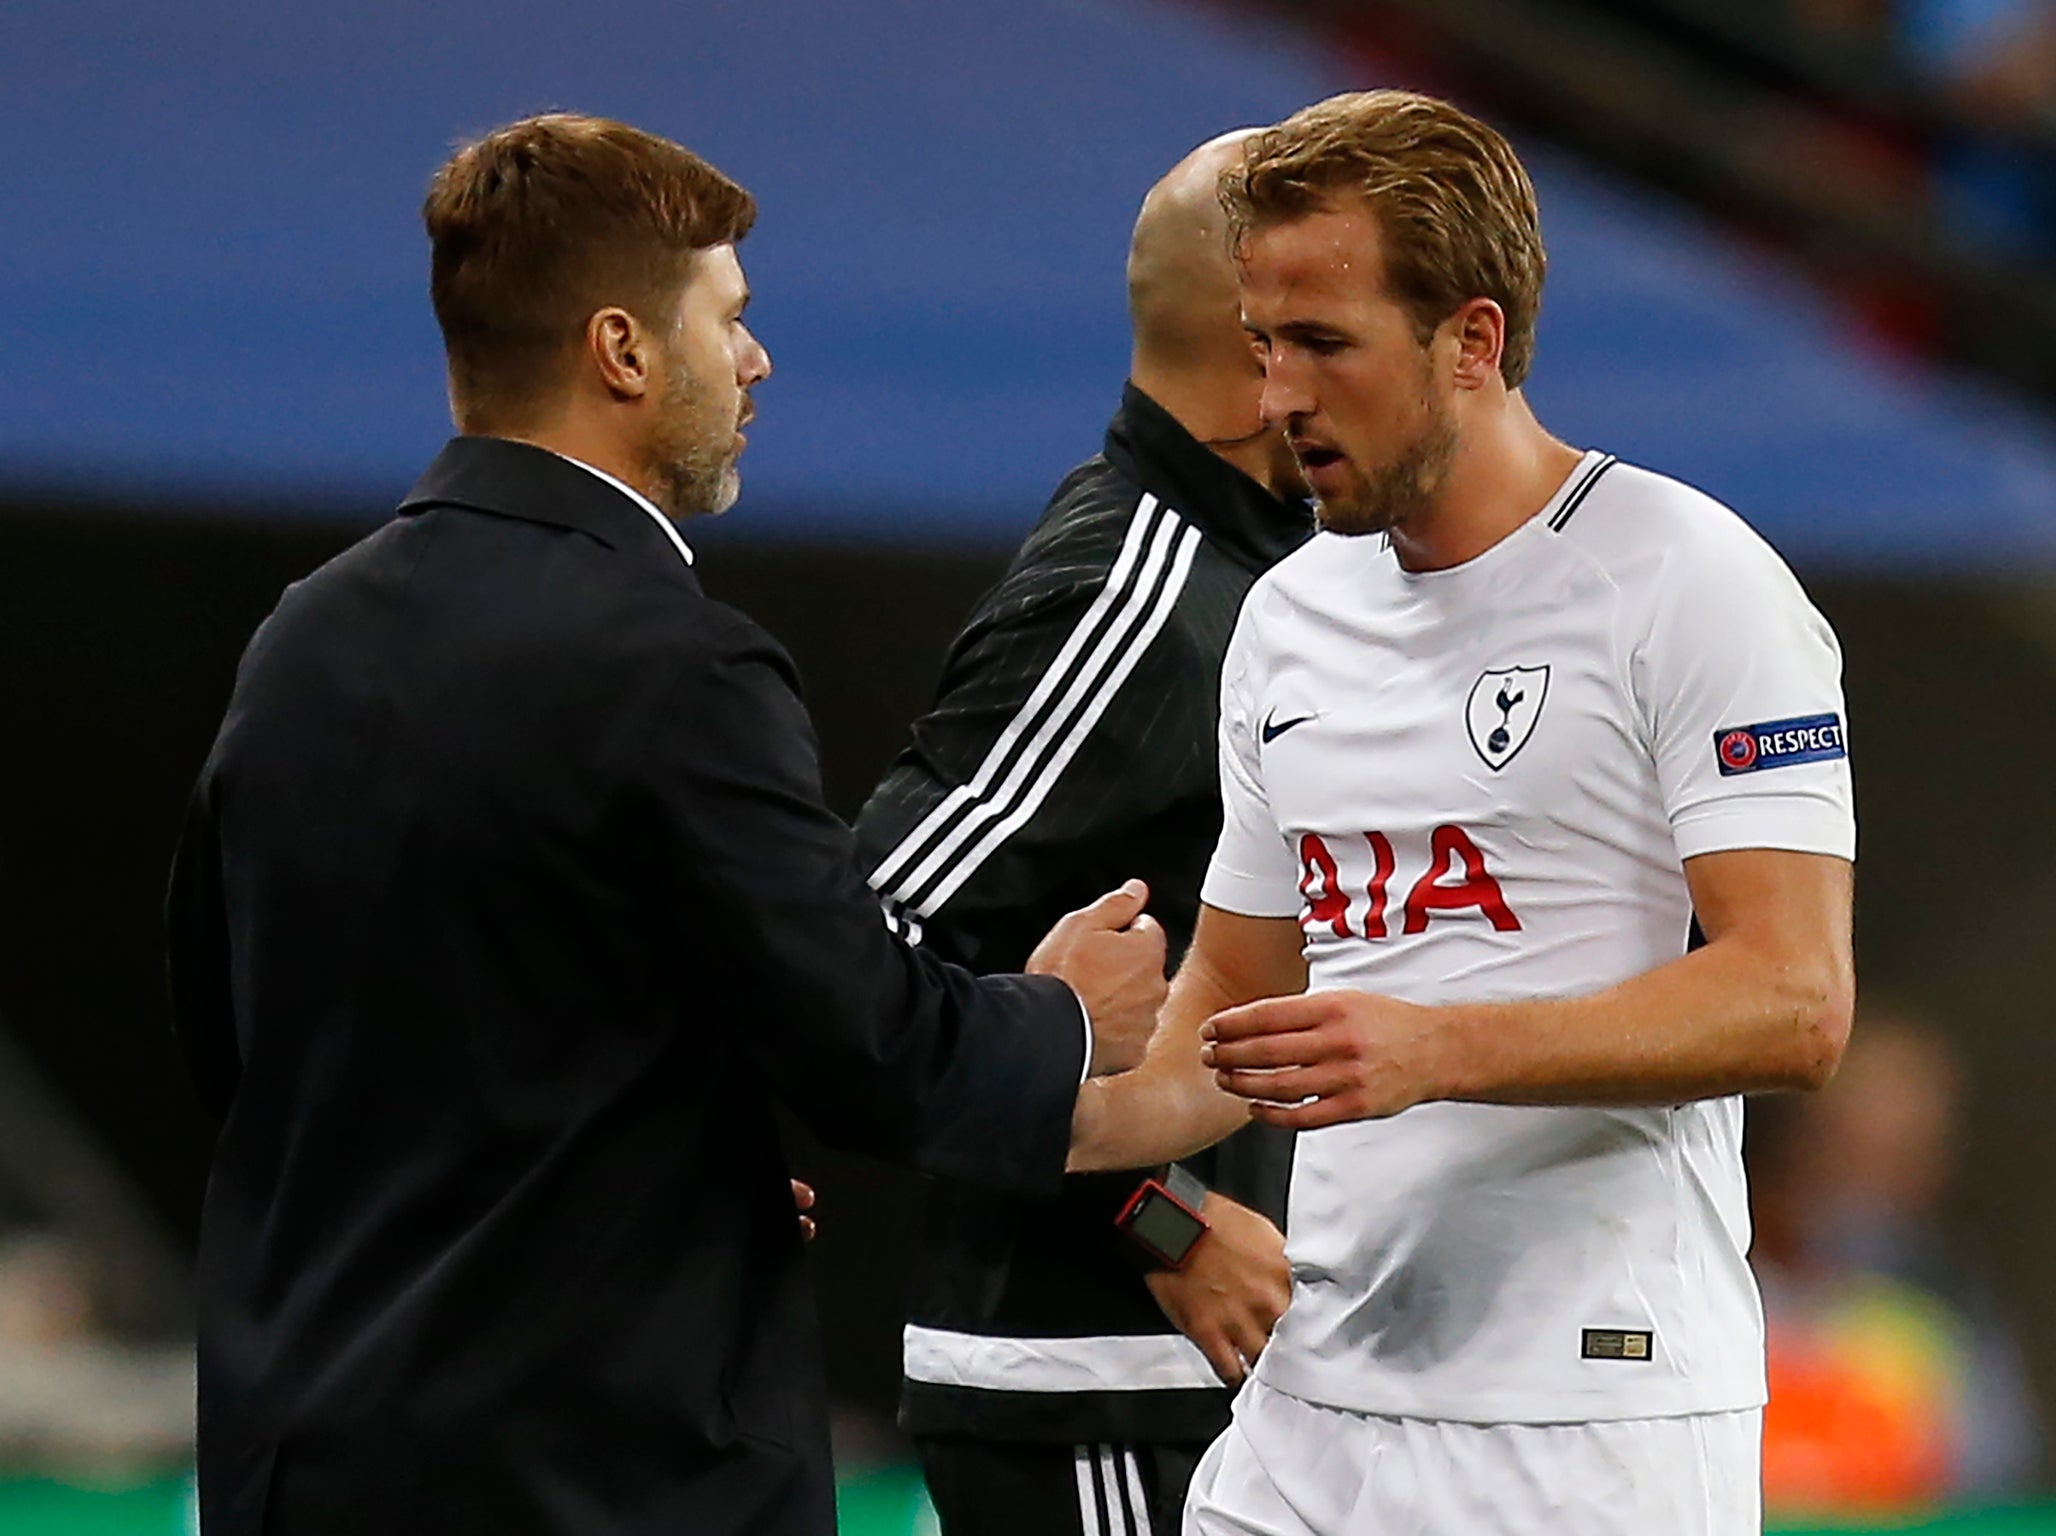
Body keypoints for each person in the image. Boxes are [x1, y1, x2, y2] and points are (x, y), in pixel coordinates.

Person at [164, 113, 1170, 1536]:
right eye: (732, 320)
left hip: (307, 1467)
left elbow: (249, 1043)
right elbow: (868, 1045)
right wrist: (1062, 1020)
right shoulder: (677, 663)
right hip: (598, 1480)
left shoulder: (300, 639)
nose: (755, 362)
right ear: (624, 351)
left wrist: (663, 1183)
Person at [1063, 91, 1859, 1534]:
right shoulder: (1289, 616)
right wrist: (1027, 1075)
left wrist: (1439, 1045)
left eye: (1324, 345)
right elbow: (1233, 1013)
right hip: (1308, 1408)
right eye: (1261, 345)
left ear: (1472, 341)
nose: (1277, 398)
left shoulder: (1693, 582)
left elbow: (1796, 1003)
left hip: (1592, 1423)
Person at [856, 133, 1311, 1536]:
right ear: (1261, 354)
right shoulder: (1135, 593)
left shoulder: (1267, 575)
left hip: (1218, 1382)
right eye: (1342, 320)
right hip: (1095, 1380)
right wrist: (1149, 1219)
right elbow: (863, 944)